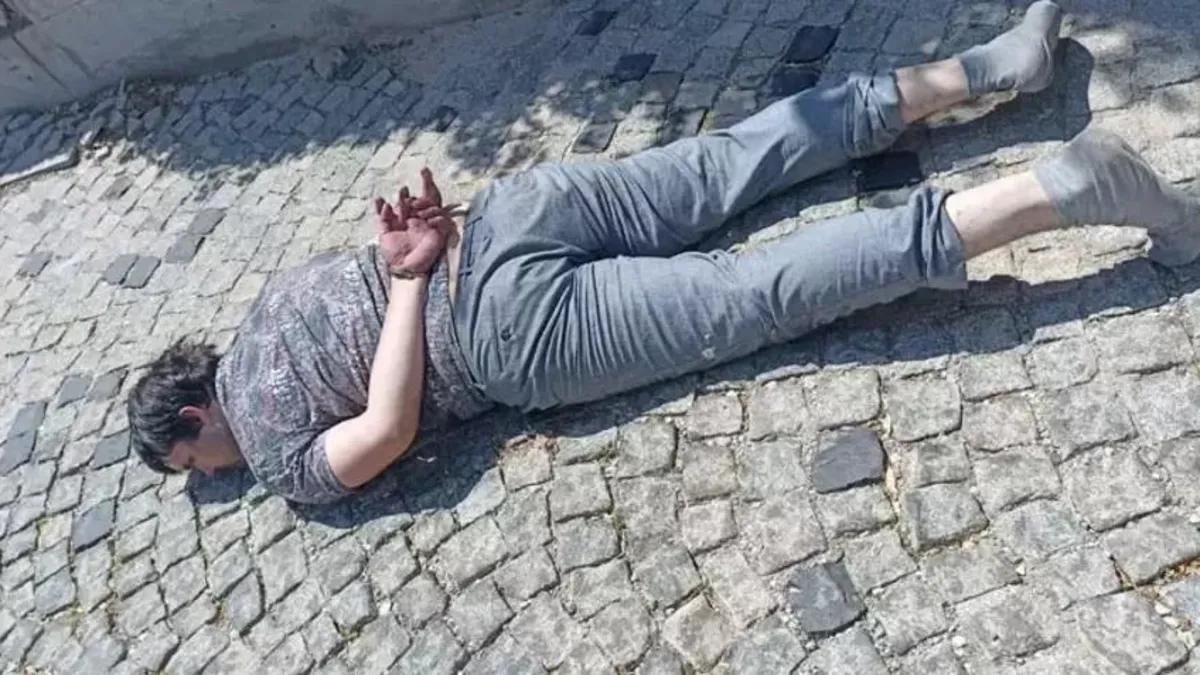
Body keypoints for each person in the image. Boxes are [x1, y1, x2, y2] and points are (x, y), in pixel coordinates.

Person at [126, 1, 1200, 504]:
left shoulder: (275, 456)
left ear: (191, 423)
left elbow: (386, 429)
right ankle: (992, 66)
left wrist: (410, 284)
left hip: (505, 337)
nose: (211, 475)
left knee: (753, 291)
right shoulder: (265, 306)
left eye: (193, 468)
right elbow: (382, 259)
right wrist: (421, 249)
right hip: (508, 216)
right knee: (737, 159)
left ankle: (1058, 190)